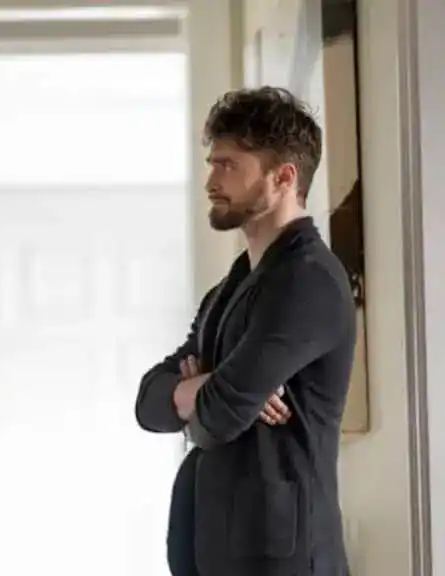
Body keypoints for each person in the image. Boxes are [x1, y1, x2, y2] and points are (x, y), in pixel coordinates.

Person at [134, 87, 355, 576]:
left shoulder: (308, 280)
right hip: (219, 551)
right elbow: (148, 402)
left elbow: (219, 415)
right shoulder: (231, 287)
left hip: (281, 560)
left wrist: (207, 393)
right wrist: (210, 385)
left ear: (284, 177)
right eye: (212, 163)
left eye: (228, 165)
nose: (211, 181)